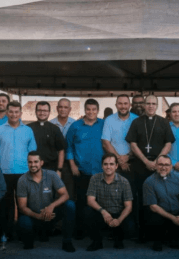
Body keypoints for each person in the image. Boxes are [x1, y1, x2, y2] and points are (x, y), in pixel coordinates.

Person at [125, 95, 175, 241]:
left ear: (157, 105)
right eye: (148, 103)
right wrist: (146, 161)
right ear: (144, 105)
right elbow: (132, 144)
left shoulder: (164, 122)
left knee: (161, 198)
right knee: (141, 199)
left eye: (154, 104)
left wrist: (158, 160)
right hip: (141, 166)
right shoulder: (136, 122)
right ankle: (142, 233)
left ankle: (160, 233)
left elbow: (168, 143)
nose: (151, 106)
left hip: (160, 167)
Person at [0, 100, 37, 242]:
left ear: (21, 113)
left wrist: (33, 172)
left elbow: (33, 153)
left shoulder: (28, 131)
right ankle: (5, 233)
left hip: (24, 174)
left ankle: (24, 233)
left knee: (24, 204)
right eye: (11, 111)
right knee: (5, 205)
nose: (14, 114)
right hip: (4, 173)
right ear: (7, 112)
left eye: (17, 112)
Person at [17, 152, 76, 252]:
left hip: (51, 215)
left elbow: (65, 195)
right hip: (34, 217)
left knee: (70, 205)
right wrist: (37, 216)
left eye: (36, 162)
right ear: (27, 163)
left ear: (41, 163)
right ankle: (31, 240)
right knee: (23, 221)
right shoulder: (22, 180)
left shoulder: (51, 175)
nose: (33, 165)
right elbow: (22, 207)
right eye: (30, 162)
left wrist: (51, 206)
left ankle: (67, 242)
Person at [66, 98, 105, 239]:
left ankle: (98, 232)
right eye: (88, 109)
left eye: (94, 109)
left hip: (101, 171)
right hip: (81, 171)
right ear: (85, 110)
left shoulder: (103, 124)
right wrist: (72, 165)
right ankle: (80, 232)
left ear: (98, 111)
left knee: (100, 202)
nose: (91, 112)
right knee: (82, 202)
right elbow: (68, 147)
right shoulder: (75, 126)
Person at [85, 153, 134, 251]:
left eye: (111, 164)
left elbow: (128, 206)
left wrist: (119, 220)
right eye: (105, 164)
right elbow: (90, 200)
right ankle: (97, 242)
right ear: (102, 166)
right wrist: (104, 212)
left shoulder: (124, 181)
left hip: (118, 214)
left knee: (130, 225)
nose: (108, 167)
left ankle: (118, 239)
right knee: (87, 212)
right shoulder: (94, 179)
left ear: (116, 166)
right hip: (102, 214)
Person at [143, 155, 179, 251]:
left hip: (176, 212)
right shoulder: (149, 182)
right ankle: (158, 240)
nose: (163, 168)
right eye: (160, 164)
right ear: (156, 165)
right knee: (155, 220)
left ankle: (173, 238)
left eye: (167, 165)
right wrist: (173, 218)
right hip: (159, 214)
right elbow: (153, 206)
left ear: (171, 167)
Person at [27, 101, 72, 195]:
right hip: (32, 168)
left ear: (49, 112)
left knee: (49, 195)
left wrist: (59, 170)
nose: (42, 113)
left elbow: (61, 150)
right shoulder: (28, 128)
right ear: (35, 112)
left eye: (45, 110)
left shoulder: (55, 129)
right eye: (39, 110)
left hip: (50, 169)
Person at [102, 95, 138, 176]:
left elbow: (140, 142)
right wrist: (119, 159)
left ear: (130, 105)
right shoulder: (109, 120)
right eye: (120, 104)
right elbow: (105, 142)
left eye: (125, 103)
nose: (123, 106)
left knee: (132, 188)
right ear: (116, 105)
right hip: (114, 163)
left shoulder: (137, 120)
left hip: (134, 161)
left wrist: (128, 156)